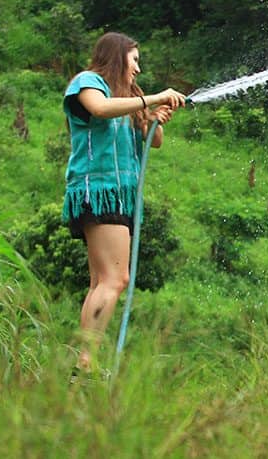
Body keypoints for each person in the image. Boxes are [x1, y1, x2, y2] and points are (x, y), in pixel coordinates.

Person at [62, 32, 185, 375]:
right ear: (117, 58)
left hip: (120, 194)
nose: (139, 69)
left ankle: (84, 363)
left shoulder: (130, 96)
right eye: (134, 60)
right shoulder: (88, 83)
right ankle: (84, 364)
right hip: (99, 188)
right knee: (115, 280)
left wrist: (153, 116)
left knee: (102, 281)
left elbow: (154, 141)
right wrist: (152, 99)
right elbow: (99, 110)